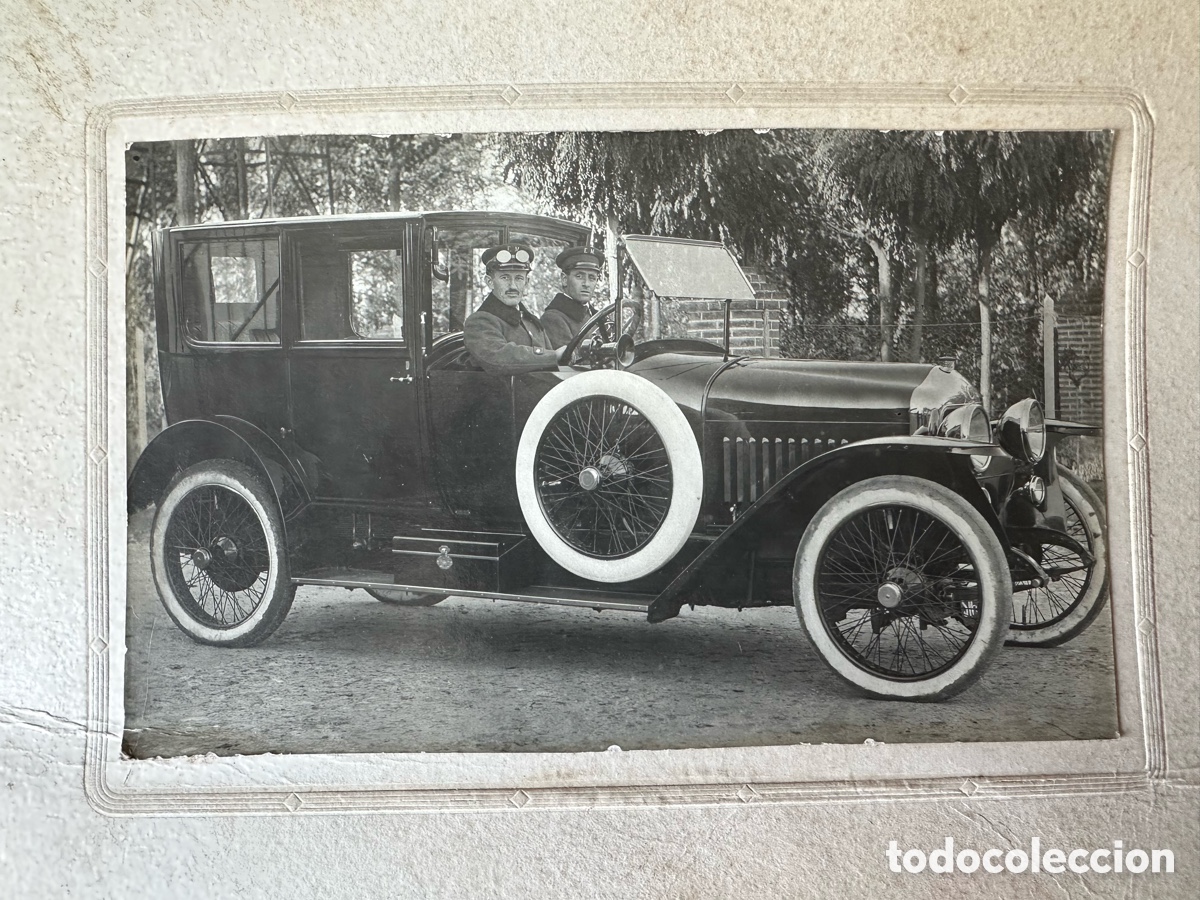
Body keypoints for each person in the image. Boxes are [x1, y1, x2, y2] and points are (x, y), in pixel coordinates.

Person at [463, 242, 560, 375]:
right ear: (490, 282)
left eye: (519, 278)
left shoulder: (531, 322)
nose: (513, 286)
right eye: (504, 277)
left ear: (527, 283)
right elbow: (499, 358)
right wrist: (554, 356)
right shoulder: (480, 322)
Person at [540, 245, 606, 348]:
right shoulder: (553, 319)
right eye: (579, 276)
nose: (586, 284)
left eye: (592, 278)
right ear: (564, 279)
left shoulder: (597, 316)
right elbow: (569, 361)